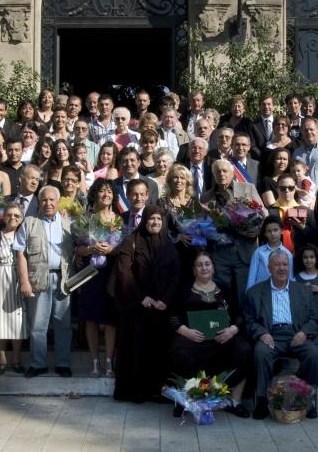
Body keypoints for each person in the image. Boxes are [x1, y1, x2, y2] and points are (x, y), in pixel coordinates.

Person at [168, 251, 252, 418]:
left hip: (221, 339)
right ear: (193, 270)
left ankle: (234, 401)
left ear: (213, 268)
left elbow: (239, 315)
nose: (204, 267)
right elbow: (172, 317)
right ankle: (185, 399)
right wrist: (186, 331)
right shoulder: (184, 290)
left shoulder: (225, 289)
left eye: (207, 264)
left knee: (244, 349)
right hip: (193, 340)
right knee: (180, 351)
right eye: (199, 265)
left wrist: (232, 330)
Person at [245, 251, 318, 420]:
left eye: (285, 265)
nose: (282, 268)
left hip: (297, 334)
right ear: (269, 268)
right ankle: (261, 400)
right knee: (261, 352)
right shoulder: (255, 292)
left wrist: (304, 332)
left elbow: (315, 319)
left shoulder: (302, 291)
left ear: (290, 267)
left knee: (314, 355)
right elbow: (249, 320)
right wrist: (261, 333)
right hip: (271, 334)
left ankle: (303, 397)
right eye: (277, 265)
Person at [113, 205, 180, 403]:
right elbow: (124, 273)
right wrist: (141, 297)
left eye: (159, 219)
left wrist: (165, 300)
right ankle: (136, 392)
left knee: (159, 350)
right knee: (136, 349)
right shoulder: (131, 241)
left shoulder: (168, 245)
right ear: (145, 220)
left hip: (161, 309)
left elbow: (175, 275)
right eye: (152, 219)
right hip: (137, 309)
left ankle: (158, 390)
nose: (155, 222)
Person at [16, 186, 75, 378]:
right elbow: (20, 253)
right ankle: (38, 364)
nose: (48, 203)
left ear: (58, 202)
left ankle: (63, 364)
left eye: (52, 200)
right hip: (38, 278)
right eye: (44, 200)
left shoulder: (69, 223)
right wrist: (24, 280)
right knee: (38, 325)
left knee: (63, 324)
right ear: (39, 202)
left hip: (63, 279)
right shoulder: (29, 222)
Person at [202, 159, 267, 310]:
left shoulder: (247, 189)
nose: (221, 174)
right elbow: (203, 225)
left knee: (246, 292)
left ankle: (245, 326)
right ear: (213, 174)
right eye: (218, 171)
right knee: (221, 291)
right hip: (220, 252)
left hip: (245, 249)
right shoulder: (206, 197)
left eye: (225, 171)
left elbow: (263, 213)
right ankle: (225, 324)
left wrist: (258, 229)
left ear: (232, 173)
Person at [76, 179, 120, 378]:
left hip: (110, 272)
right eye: (102, 191)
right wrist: (92, 248)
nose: (106, 195)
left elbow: (122, 248)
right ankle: (95, 362)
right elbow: (78, 248)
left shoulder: (118, 220)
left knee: (110, 319)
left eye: (109, 191)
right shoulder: (86, 218)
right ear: (95, 194)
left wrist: (112, 249)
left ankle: (109, 362)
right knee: (91, 319)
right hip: (90, 273)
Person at [0, 203, 27, 375]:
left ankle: (17, 359)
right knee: (0, 319)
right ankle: (2, 359)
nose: (13, 218)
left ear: (21, 219)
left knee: (18, 321)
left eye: (17, 216)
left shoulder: (23, 234)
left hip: (18, 277)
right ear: (3, 217)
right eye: (9, 215)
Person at [246, 216, 293, 291]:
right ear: (265, 234)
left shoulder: (287, 254)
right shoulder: (259, 252)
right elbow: (252, 276)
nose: (273, 233)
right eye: (269, 231)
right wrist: (249, 293)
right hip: (261, 292)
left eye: (275, 230)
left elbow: (290, 277)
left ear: (281, 231)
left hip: (280, 292)